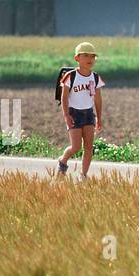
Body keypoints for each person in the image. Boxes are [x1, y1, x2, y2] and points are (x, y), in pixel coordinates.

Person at [58, 42, 103, 179]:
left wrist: (99, 118)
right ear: (77, 58)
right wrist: (66, 115)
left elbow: (98, 100)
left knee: (89, 146)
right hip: (74, 114)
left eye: (92, 56)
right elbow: (64, 97)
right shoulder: (70, 76)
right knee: (76, 147)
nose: (90, 59)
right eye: (85, 56)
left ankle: (83, 175)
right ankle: (63, 160)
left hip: (89, 114)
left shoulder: (95, 77)